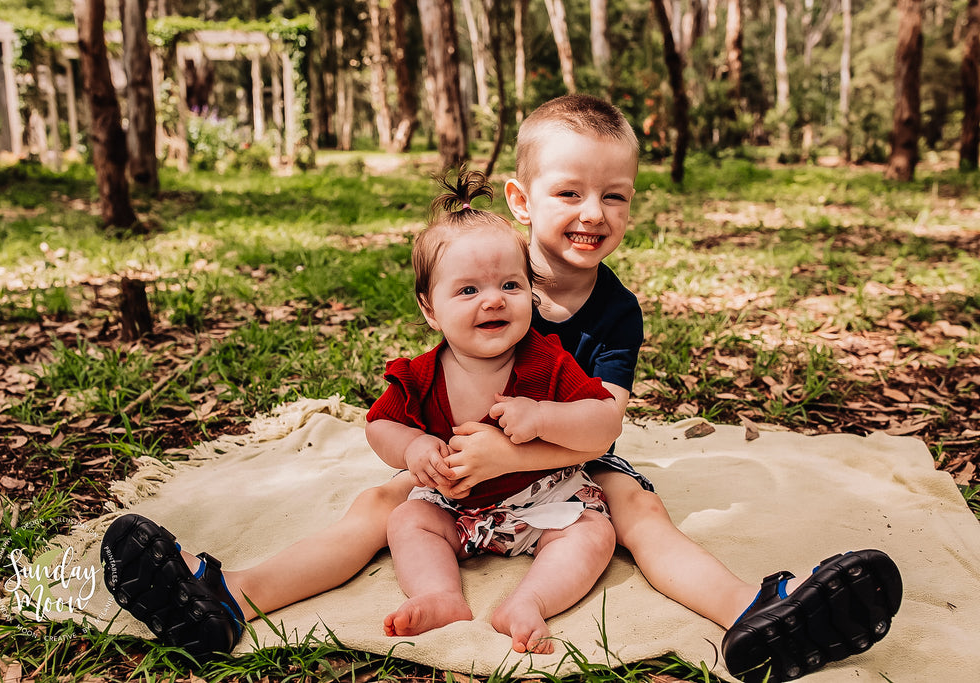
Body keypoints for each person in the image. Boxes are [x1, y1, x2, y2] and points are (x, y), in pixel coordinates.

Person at [102, 94, 902, 681]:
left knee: (633, 509)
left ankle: (752, 610)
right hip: (457, 482)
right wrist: (426, 451)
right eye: (568, 193)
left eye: (613, 196)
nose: (592, 213)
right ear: (521, 202)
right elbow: (387, 418)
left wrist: (515, 437)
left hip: (567, 465)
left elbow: (604, 427)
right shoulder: (477, 267)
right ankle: (229, 596)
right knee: (380, 508)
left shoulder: (611, 312)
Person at [366, 169, 620, 654]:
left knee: (593, 532)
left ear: (531, 291)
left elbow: (605, 424)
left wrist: (545, 416)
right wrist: (412, 446)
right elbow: (379, 425)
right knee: (407, 521)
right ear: (430, 308)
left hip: (544, 501)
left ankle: (528, 601)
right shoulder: (420, 375)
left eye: (510, 284)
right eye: (467, 291)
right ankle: (438, 593)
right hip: (453, 505)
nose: (493, 300)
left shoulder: (546, 362)